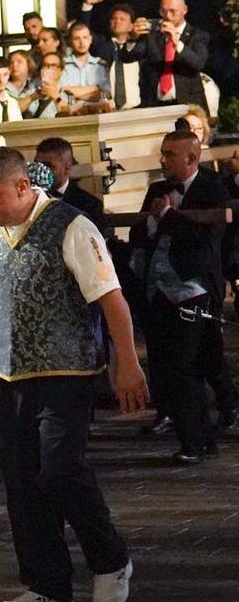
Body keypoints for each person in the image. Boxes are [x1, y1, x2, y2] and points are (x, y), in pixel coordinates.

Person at [0, 147, 147, 602]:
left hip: (66, 372)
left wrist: (128, 362)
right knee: (22, 482)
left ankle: (111, 559)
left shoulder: (70, 225)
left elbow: (112, 299)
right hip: (6, 375)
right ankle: (47, 584)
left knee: (60, 470)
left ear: (23, 187)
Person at [135, 131, 231, 463]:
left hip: (194, 290)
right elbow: (139, 232)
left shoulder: (211, 189)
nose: (163, 160)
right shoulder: (158, 190)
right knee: (169, 367)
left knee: (187, 367)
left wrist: (167, 217)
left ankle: (196, 441)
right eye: (162, 153)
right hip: (158, 292)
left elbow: (206, 239)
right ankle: (196, 436)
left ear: (191, 158)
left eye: (169, 154)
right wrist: (155, 221)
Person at [125, 0, 211, 114]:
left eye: (172, 11)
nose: (168, 16)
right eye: (163, 11)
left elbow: (198, 63)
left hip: (188, 104)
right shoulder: (152, 36)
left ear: (184, 10)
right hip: (155, 104)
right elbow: (127, 57)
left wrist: (177, 43)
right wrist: (132, 37)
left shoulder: (197, 36)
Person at [77, 0, 141, 110]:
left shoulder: (139, 48)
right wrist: (88, 4)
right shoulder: (101, 44)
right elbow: (82, 32)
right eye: (113, 19)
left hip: (137, 108)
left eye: (122, 19)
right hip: (107, 109)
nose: (117, 22)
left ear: (131, 26)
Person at [34, 138, 105, 229]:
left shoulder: (90, 206)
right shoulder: (27, 199)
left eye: (48, 166)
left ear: (67, 169)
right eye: (37, 165)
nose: (39, 172)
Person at [59, 23, 111, 107]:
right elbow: (62, 92)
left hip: (96, 113)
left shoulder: (101, 65)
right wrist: (95, 88)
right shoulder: (63, 64)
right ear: (69, 41)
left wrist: (77, 96)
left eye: (85, 38)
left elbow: (107, 93)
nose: (81, 42)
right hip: (71, 114)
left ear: (90, 39)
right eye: (76, 38)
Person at [26, 53, 65, 119]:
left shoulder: (66, 94)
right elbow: (16, 109)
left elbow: (68, 116)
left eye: (53, 65)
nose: (49, 68)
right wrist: (32, 97)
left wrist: (56, 97)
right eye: (46, 65)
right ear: (41, 70)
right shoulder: (31, 92)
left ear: (60, 71)